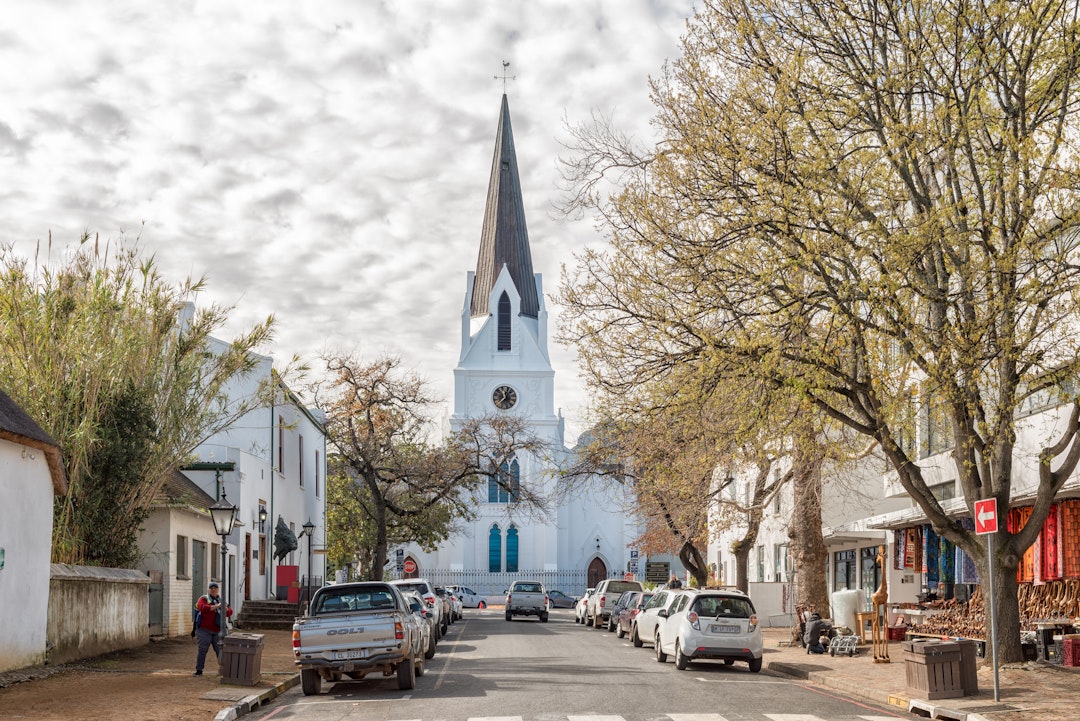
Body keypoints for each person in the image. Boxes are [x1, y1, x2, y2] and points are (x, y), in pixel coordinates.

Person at [193, 581, 232, 676]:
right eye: (211, 588)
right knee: (203, 649)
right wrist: (217, 606)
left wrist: (226, 608)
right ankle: (199, 670)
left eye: (215, 589)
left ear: (218, 590)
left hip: (218, 630)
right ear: (208, 590)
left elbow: (229, 612)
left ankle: (225, 670)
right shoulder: (203, 598)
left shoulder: (221, 600)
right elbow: (203, 608)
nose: (213, 590)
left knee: (220, 650)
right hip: (204, 630)